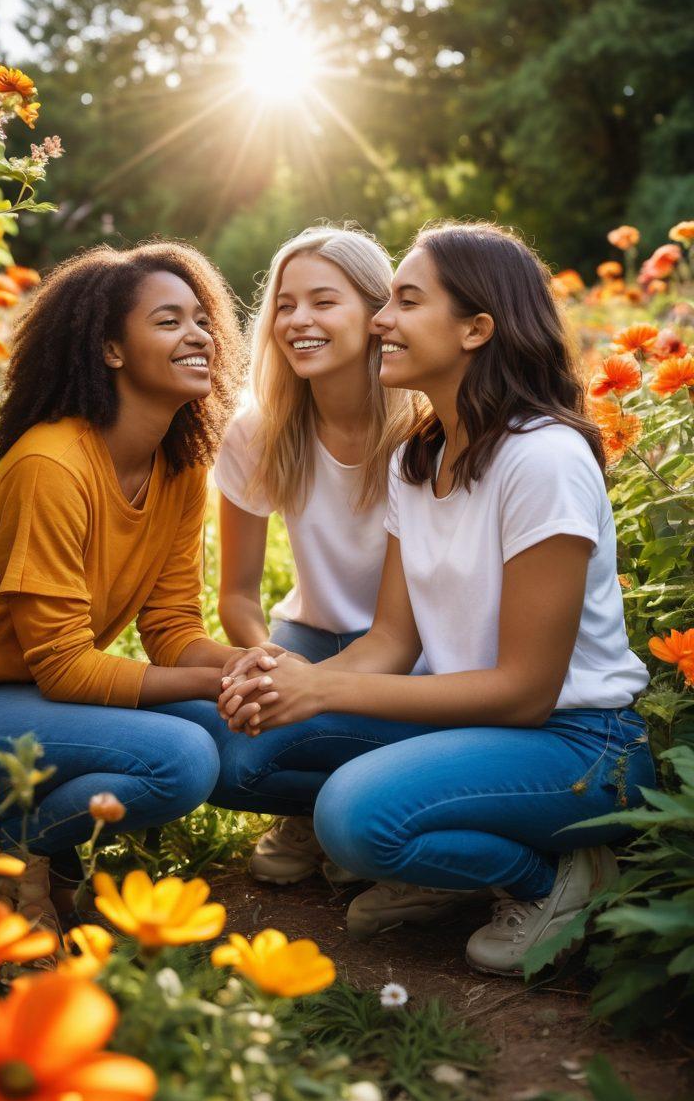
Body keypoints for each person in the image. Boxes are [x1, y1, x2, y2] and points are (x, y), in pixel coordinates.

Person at [217, 220, 655, 975]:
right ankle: (433, 863)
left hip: (581, 743)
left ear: (477, 328)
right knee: (235, 751)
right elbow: (393, 640)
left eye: (406, 301)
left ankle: (554, 879)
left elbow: (524, 692)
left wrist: (323, 686)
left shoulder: (542, 458)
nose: (382, 319)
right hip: (476, 719)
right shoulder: (419, 457)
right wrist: (290, 684)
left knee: (353, 817)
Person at [0, 241, 247, 924]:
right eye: (169, 321)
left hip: (24, 693)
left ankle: (30, 843)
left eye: (202, 320)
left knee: (230, 734)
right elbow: (65, 670)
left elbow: (173, 629)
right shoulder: (52, 467)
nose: (199, 334)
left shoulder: (179, 467)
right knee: (182, 758)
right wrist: (216, 681)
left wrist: (248, 667)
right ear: (111, 350)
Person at [210, 225, 416, 885]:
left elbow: (396, 636)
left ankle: (362, 814)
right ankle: (316, 808)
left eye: (324, 302)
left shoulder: (423, 434)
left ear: (376, 314)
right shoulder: (256, 432)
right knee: (227, 759)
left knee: (295, 733)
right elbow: (238, 596)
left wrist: (314, 693)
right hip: (305, 638)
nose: (298, 320)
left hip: (411, 650)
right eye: (285, 304)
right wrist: (268, 662)